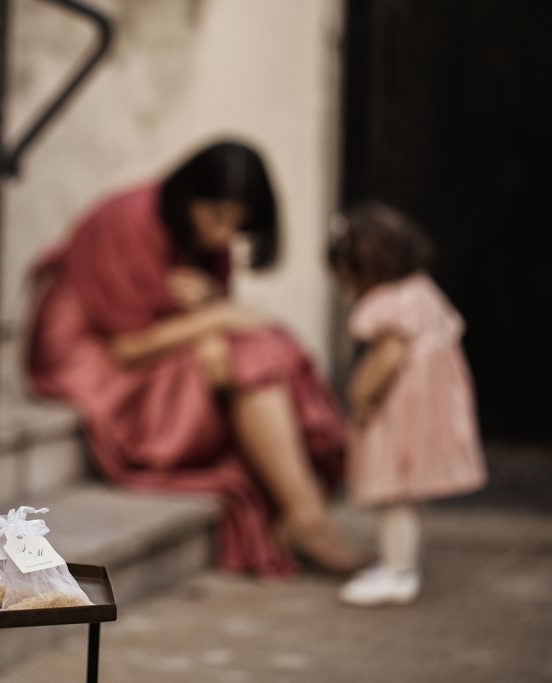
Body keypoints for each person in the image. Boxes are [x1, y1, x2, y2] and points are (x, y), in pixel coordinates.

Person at [27, 140, 367, 576]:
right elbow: (126, 347)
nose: (224, 236)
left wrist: (211, 302)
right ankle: (305, 514)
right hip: (86, 352)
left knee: (254, 347)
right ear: (189, 196)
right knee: (234, 353)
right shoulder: (130, 222)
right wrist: (217, 315)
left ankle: (307, 512)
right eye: (217, 217)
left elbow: (212, 317)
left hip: (147, 345)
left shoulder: (203, 237)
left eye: (237, 227)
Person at [327, 201, 487, 605]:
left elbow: (390, 357)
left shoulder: (386, 304)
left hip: (401, 412)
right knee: (406, 496)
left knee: (395, 494)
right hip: (428, 409)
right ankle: (397, 565)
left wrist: (361, 396)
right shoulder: (421, 292)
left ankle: (398, 573)